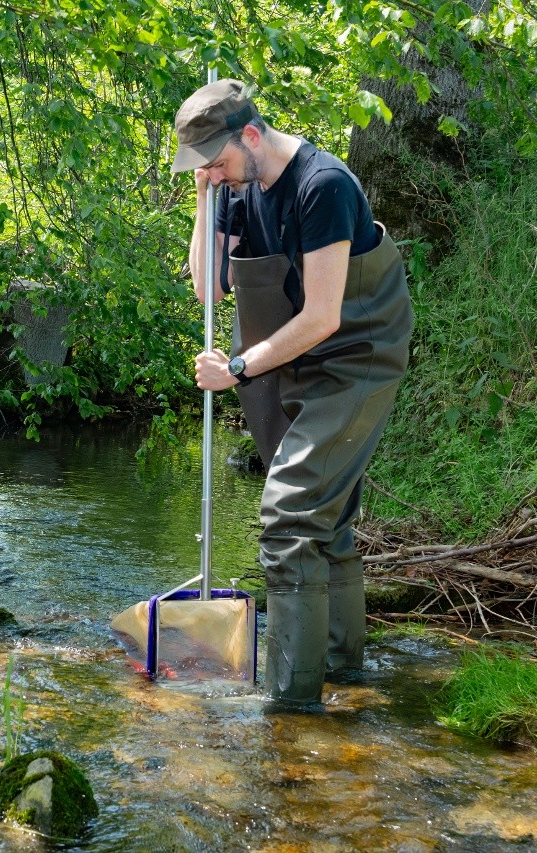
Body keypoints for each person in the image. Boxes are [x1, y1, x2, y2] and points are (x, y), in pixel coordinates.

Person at [172, 79, 413, 709]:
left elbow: (324, 316)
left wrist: (242, 366)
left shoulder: (322, 186)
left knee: (289, 518)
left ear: (250, 135)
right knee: (326, 527)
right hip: (296, 362)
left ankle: (291, 705)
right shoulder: (232, 187)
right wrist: (204, 202)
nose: (216, 176)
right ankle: (343, 675)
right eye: (206, 170)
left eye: (218, 163)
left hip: (357, 357)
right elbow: (209, 289)